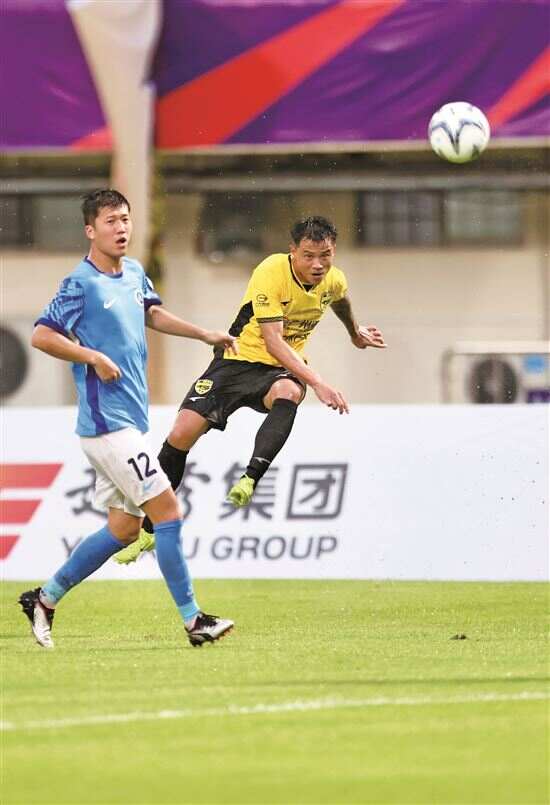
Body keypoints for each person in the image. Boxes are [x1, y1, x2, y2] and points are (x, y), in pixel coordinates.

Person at [18, 189, 236, 649]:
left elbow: (151, 312)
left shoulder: (134, 272)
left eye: (125, 219)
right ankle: (194, 620)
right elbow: (41, 335)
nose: (121, 228)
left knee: (123, 529)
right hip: (107, 426)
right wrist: (92, 356)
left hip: (129, 422)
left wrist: (203, 334)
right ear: (90, 230)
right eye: (111, 221)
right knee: (168, 511)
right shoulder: (80, 283)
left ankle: (45, 599)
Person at [114, 215, 386, 565]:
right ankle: (150, 531)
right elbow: (273, 342)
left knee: (289, 392)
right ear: (293, 251)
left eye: (326, 255)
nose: (318, 264)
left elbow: (340, 300)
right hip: (236, 359)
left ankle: (250, 477)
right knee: (181, 434)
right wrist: (318, 381)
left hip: (279, 369)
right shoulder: (271, 272)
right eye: (309, 256)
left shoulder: (334, 280)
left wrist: (354, 332)